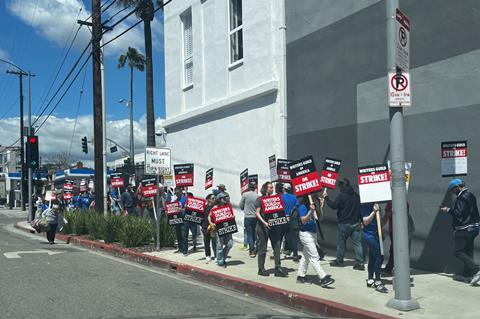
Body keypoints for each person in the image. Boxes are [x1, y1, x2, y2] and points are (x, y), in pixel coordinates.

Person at [441, 179, 480, 286]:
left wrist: (448, 210)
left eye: (453, 190)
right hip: (474, 227)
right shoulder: (470, 195)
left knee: (457, 251)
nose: (453, 192)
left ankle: (476, 270)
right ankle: (467, 275)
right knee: (467, 251)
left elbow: (459, 213)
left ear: (457, 187)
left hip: (464, 228)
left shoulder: (462, 197)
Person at [323, 178, 364, 270]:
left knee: (341, 243)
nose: (339, 188)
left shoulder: (342, 196)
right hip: (355, 223)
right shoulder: (356, 196)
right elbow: (360, 209)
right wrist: (361, 221)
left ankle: (339, 260)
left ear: (343, 186)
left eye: (340, 186)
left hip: (344, 224)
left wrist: (326, 198)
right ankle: (360, 263)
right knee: (357, 244)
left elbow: (333, 206)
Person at [296, 195, 334, 287]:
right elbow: (303, 221)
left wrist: (320, 207)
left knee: (306, 256)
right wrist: (310, 211)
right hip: (305, 234)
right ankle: (323, 278)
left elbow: (320, 219)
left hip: (313, 234)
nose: (315, 198)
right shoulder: (302, 207)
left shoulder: (313, 205)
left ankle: (300, 276)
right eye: (313, 196)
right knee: (314, 256)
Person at [255, 181, 287, 277]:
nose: (272, 189)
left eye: (272, 188)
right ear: (265, 188)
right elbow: (257, 212)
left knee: (277, 246)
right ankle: (261, 268)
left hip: (274, 226)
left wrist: (283, 219)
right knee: (263, 248)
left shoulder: (276, 199)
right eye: (270, 187)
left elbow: (280, 211)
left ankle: (278, 268)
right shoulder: (260, 199)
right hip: (262, 227)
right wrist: (264, 222)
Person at [361, 203, 388, 293]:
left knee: (373, 257)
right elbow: (365, 221)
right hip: (369, 235)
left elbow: (380, 223)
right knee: (379, 257)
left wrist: (386, 215)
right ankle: (377, 281)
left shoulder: (377, 206)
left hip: (376, 236)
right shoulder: (365, 206)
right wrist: (374, 211)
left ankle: (370, 279)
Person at [382, 200, 414, 275]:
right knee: (400, 250)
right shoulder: (405, 202)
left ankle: (389, 268)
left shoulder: (390, 204)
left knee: (393, 250)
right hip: (403, 230)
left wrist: (378, 227)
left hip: (394, 230)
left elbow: (386, 218)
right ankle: (399, 268)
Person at [208, 193, 234, 267]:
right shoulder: (215, 207)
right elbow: (209, 217)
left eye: (226, 197)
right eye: (224, 197)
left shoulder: (228, 206)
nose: (226, 199)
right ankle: (220, 261)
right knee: (220, 245)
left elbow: (231, 216)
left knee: (230, 244)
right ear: (219, 199)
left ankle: (223, 258)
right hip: (218, 229)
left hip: (227, 228)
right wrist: (211, 223)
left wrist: (232, 217)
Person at [239, 181, 260, 257]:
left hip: (247, 216)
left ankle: (252, 250)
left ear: (249, 187)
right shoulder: (257, 196)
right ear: (255, 188)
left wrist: (244, 207)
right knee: (254, 233)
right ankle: (254, 247)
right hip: (255, 217)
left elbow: (240, 205)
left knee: (249, 234)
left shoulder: (245, 194)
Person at [282, 183, 301, 262]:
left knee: (280, 237)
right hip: (292, 219)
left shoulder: (281, 197)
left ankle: (277, 254)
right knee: (293, 238)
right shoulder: (294, 197)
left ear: (284, 189)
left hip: (283, 219)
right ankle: (295, 255)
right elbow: (295, 208)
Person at [202, 194, 217, 261]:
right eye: (213, 198)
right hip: (205, 227)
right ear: (209, 200)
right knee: (206, 242)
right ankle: (208, 255)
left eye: (215, 198)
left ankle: (216, 255)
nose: (214, 199)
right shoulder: (204, 207)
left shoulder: (216, 207)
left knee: (214, 242)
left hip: (214, 227)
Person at [173, 187, 187, 255]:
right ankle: (180, 248)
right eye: (175, 193)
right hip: (177, 219)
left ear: (181, 192)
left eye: (177, 193)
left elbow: (188, 209)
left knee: (184, 235)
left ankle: (185, 249)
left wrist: (181, 210)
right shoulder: (176, 200)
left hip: (184, 219)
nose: (176, 194)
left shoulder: (185, 199)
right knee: (178, 234)